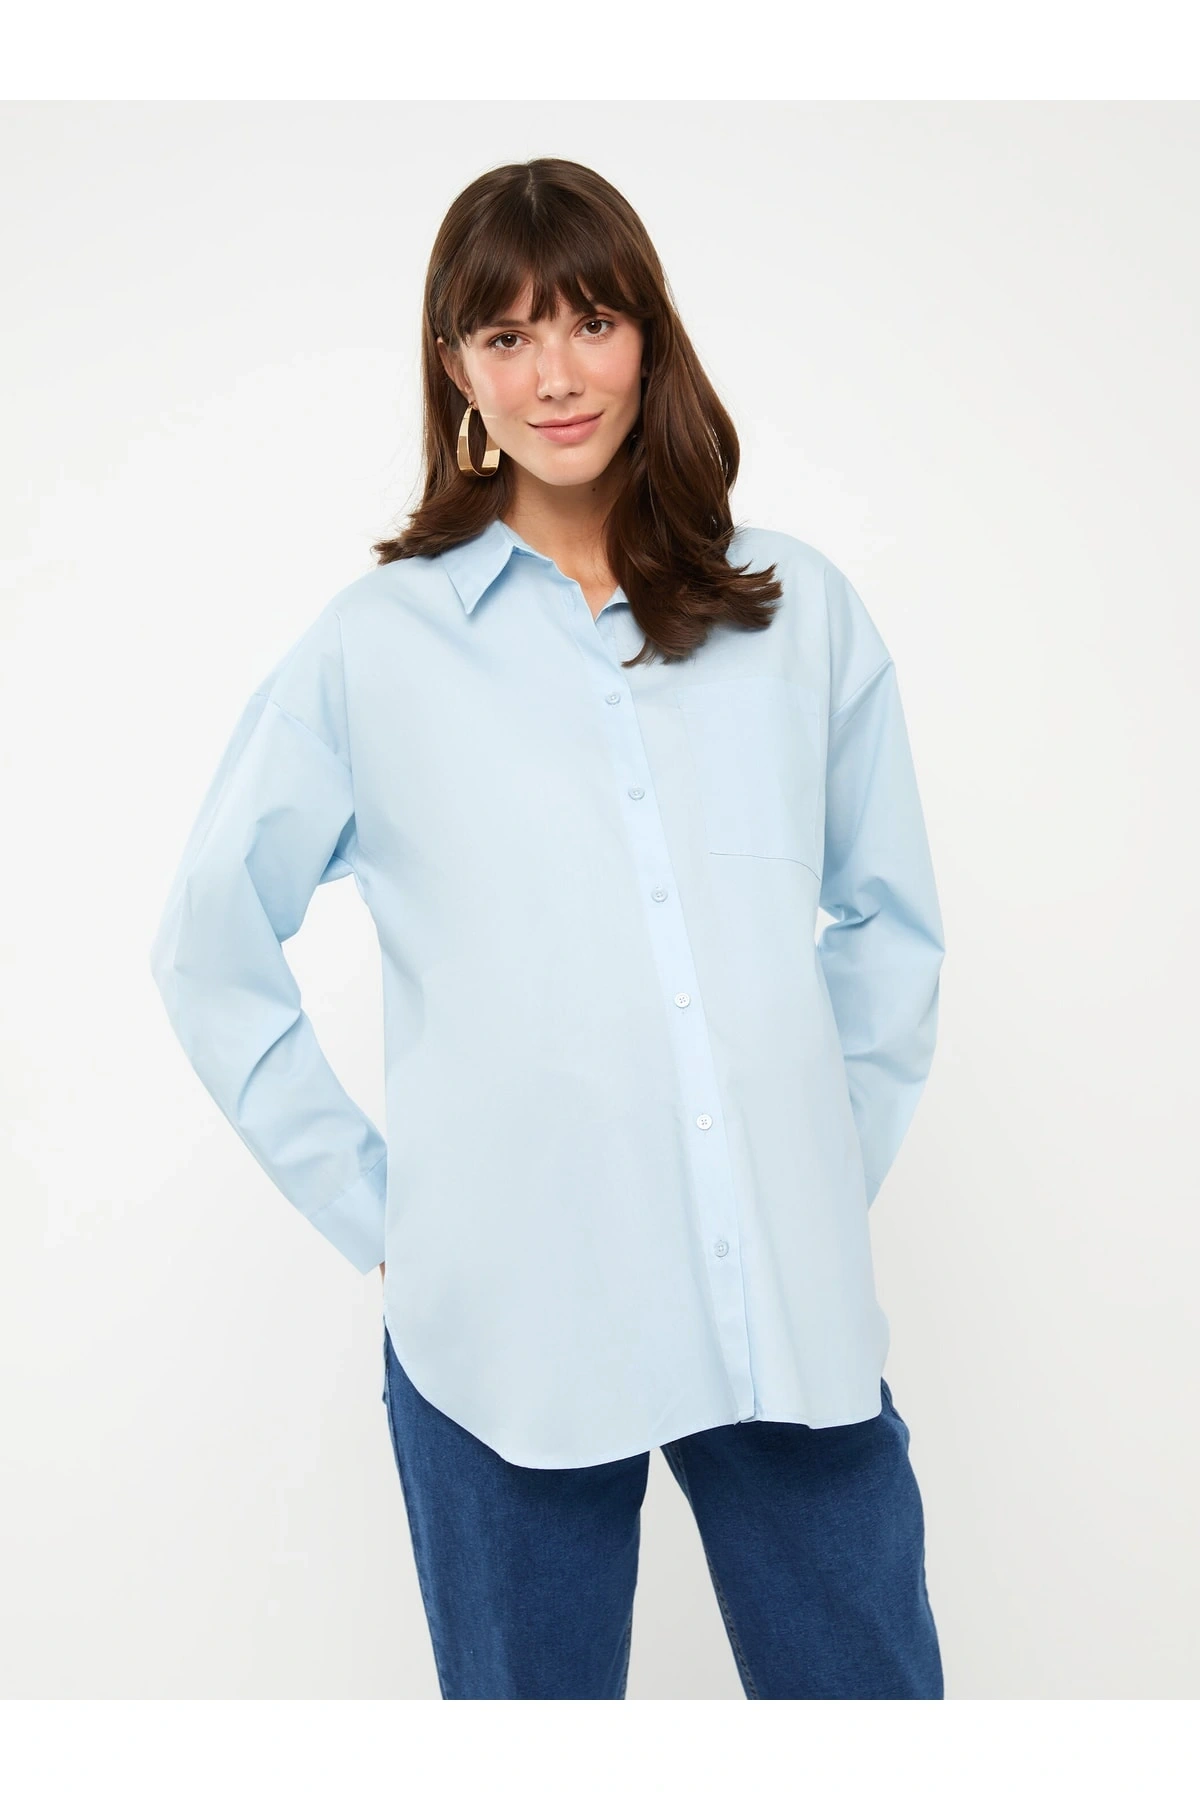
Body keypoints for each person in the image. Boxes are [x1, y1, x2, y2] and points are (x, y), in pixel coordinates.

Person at [149, 156, 946, 1700]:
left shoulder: (798, 611)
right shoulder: (376, 650)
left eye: (591, 322)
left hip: (780, 1302)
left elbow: (890, 923)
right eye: (507, 337)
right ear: (455, 368)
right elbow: (207, 942)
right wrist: (384, 1214)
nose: (557, 376)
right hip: (505, 1328)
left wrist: (813, 1160)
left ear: (650, 336)